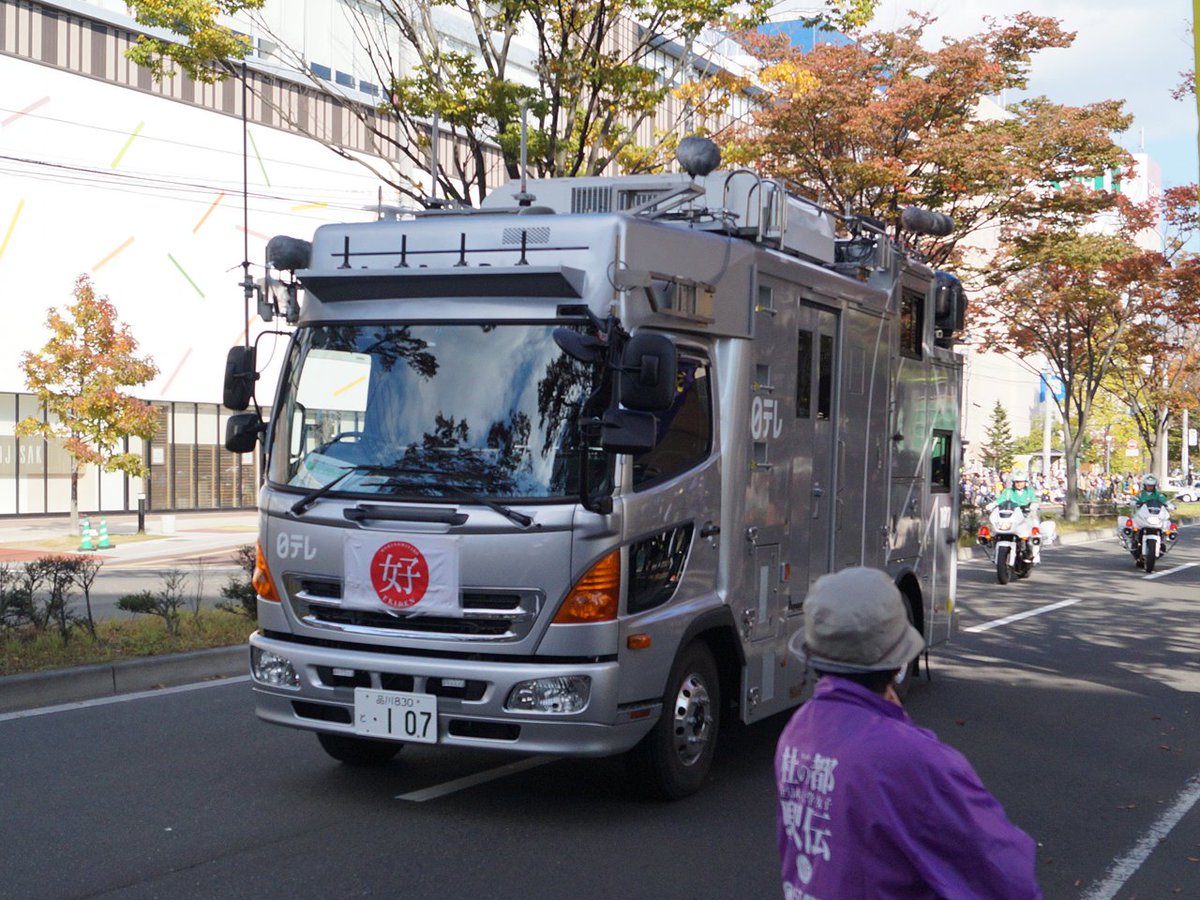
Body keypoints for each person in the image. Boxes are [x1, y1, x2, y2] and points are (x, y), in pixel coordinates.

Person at [775, 567, 1042, 899]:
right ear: (899, 663)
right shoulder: (911, 757)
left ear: (813, 657)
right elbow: (1003, 873)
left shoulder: (798, 729)